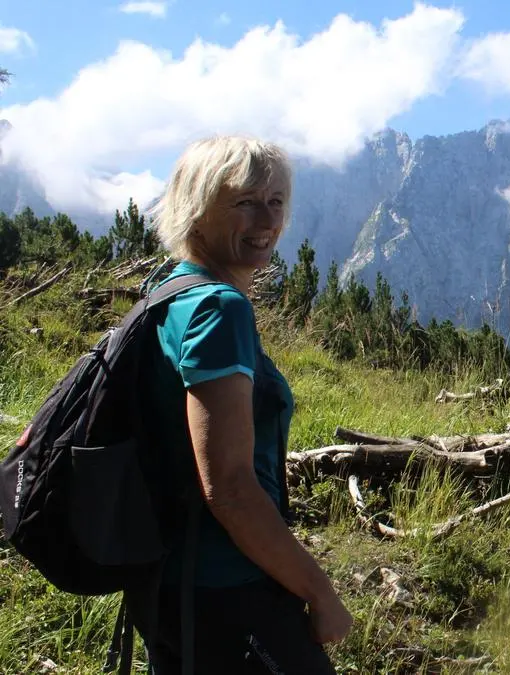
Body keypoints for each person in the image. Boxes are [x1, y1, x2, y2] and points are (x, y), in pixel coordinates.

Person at [125, 135, 353, 674]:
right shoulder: (219, 309)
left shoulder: (169, 291)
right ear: (197, 209)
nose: (266, 220)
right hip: (225, 586)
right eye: (244, 202)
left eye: (276, 202)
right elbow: (228, 487)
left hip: (168, 580)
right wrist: (321, 592)